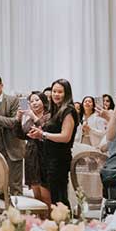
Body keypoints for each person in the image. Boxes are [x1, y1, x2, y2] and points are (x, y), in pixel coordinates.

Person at [29, 79, 79, 207]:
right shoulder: (55, 110)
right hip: (48, 158)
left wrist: (43, 134)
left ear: (66, 93)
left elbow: (65, 137)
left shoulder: (68, 110)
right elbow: (49, 132)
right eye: (54, 91)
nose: (56, 94)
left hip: (59, 159)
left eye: (60, 92)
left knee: (59, 198)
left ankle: (64, 219)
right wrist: (38, 134)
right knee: (53, 198)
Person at [14, 91, 51, 206]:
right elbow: (20, 135)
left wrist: (33, 116)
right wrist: (18, 118)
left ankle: (50, 216)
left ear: (43, 101)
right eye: (31, 101)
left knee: (46, 195)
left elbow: (45, 129)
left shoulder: (49, 116)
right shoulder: (29, 119)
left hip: (44, 155)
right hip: (31, 157)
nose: (34, 103)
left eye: (37, 100)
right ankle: (39, 217)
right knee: (37, 196)